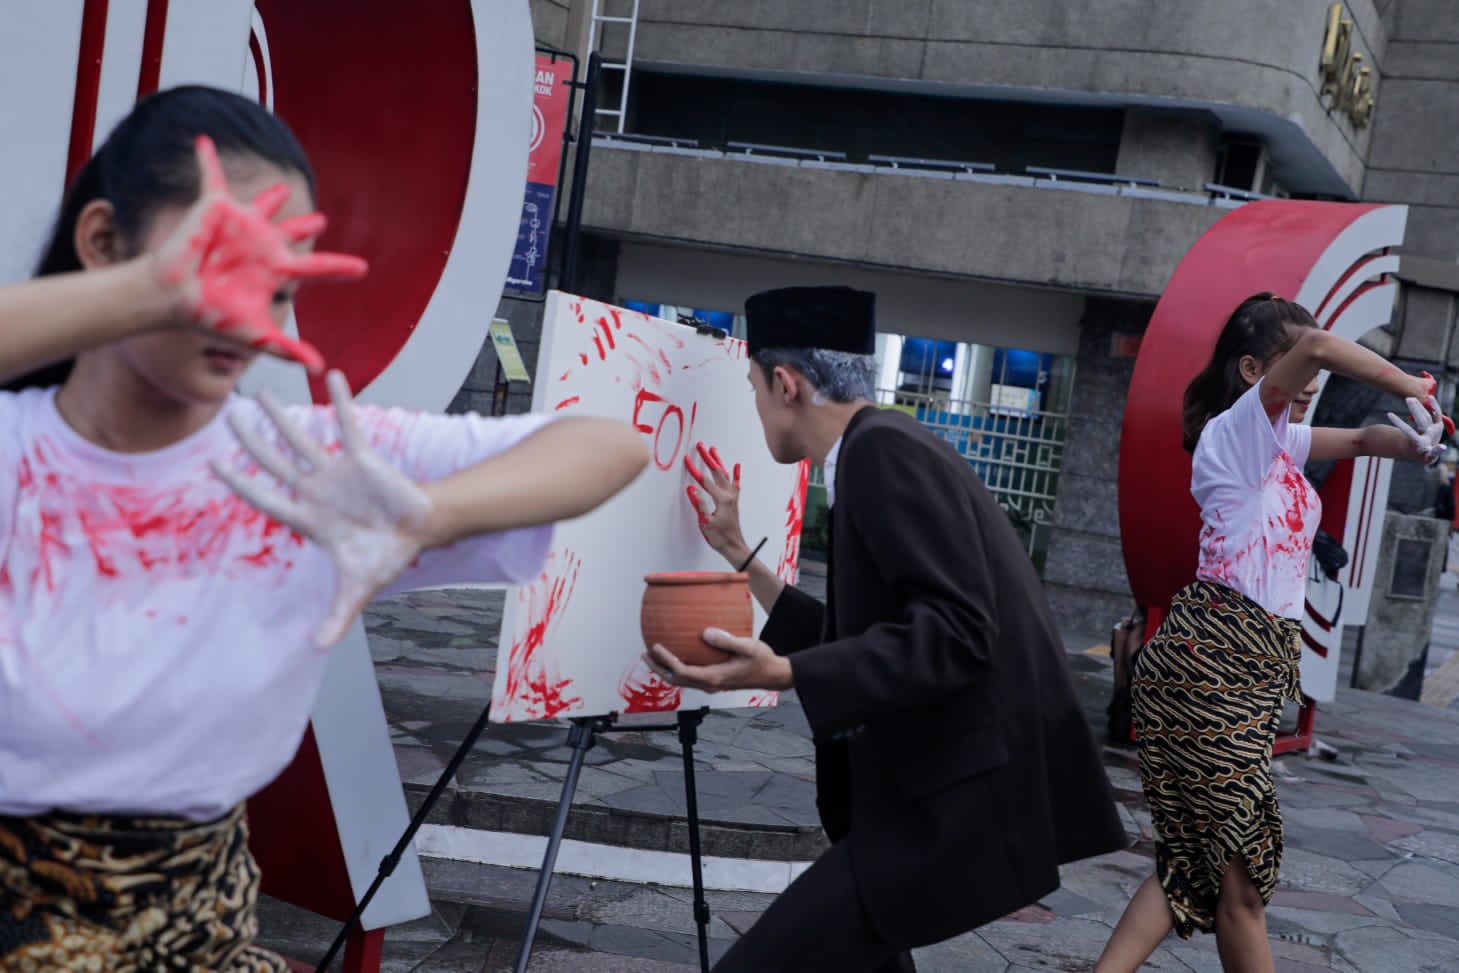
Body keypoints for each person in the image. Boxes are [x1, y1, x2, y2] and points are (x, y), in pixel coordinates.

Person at [0, 86, 649, 971]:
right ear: (105, 244)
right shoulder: (15, 453)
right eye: (222, 259)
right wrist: (146, 292)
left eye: (279, 279)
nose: (248, 309)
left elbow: (607, 446)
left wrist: (429, 516)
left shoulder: (303, 468)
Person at [643, 285, 1129, 973]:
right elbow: (865, 636)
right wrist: (739, 554)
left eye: (753, 389)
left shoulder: (880, 455)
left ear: (787, 384)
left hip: (942, 807)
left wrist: (783, 671)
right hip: (920, 802)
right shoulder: (882, 446)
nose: (755, 408)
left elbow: (958, 630)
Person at [1093, 293, 1450, 973]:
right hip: (1214, 659)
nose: (1308, 387)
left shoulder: (1278, 436)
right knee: (1240, 883)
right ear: (1253, 368)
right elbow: (1316, 348)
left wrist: (1417, 443)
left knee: (1192, 867)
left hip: (1240, 667)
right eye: (1297, 374)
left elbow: (1364, 440)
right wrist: (1410, 382)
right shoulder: (1239, 429)